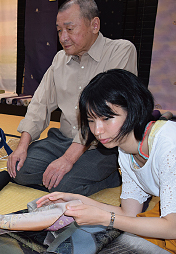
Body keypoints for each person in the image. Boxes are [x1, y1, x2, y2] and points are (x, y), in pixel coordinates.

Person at [7, 0, 138, 195]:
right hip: (63, 139)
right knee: (20, 171)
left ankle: (111, 175)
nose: (63, 37)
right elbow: (39, 104)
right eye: (59, 30)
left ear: (94, 25)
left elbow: (107, 110)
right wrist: (22, 146)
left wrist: (68, 160)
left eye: (70, 29)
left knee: (62, 186)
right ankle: (76, 171)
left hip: (103, 145)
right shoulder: (60, 59)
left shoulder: (121, 51)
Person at [37, 69, 176, 253]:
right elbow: (129, 213)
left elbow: (172, 228)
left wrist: (104, 218)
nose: (97, 130)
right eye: (91, 120)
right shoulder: (126, 150)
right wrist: (78, 200)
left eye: (107, 118)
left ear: (133, 109)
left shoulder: (169, 146)